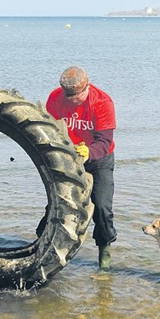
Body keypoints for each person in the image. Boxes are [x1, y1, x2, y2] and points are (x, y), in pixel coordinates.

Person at [45, 66, 117, 270]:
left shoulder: (102, 102)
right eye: (69, 97)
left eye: (77, 96)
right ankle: (44, 241)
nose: (72, 101)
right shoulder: (55, 98)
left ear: (87, 86)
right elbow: (51, 132)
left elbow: (104, 141)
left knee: (102, 207)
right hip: (69, 158)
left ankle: (104, 251)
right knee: (56, 203)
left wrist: (89, 152)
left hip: (99, 159)